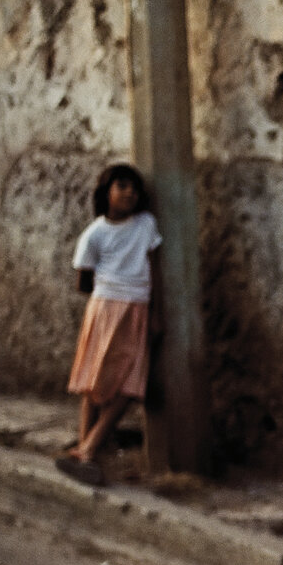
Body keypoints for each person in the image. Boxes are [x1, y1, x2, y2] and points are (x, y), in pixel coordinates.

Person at [54, 163, 161, 486]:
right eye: (122, 186)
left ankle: (88, 447)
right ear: (106, 192)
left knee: (130, 383)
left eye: (134, 188)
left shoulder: (145, 224)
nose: (130, 193)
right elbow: (83, 279)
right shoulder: (95, 233)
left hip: (138, 307)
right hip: (104, 307)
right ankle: (87, 451)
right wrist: (108, 295)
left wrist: (158, 312)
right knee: (94, 380)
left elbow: (156, 271)